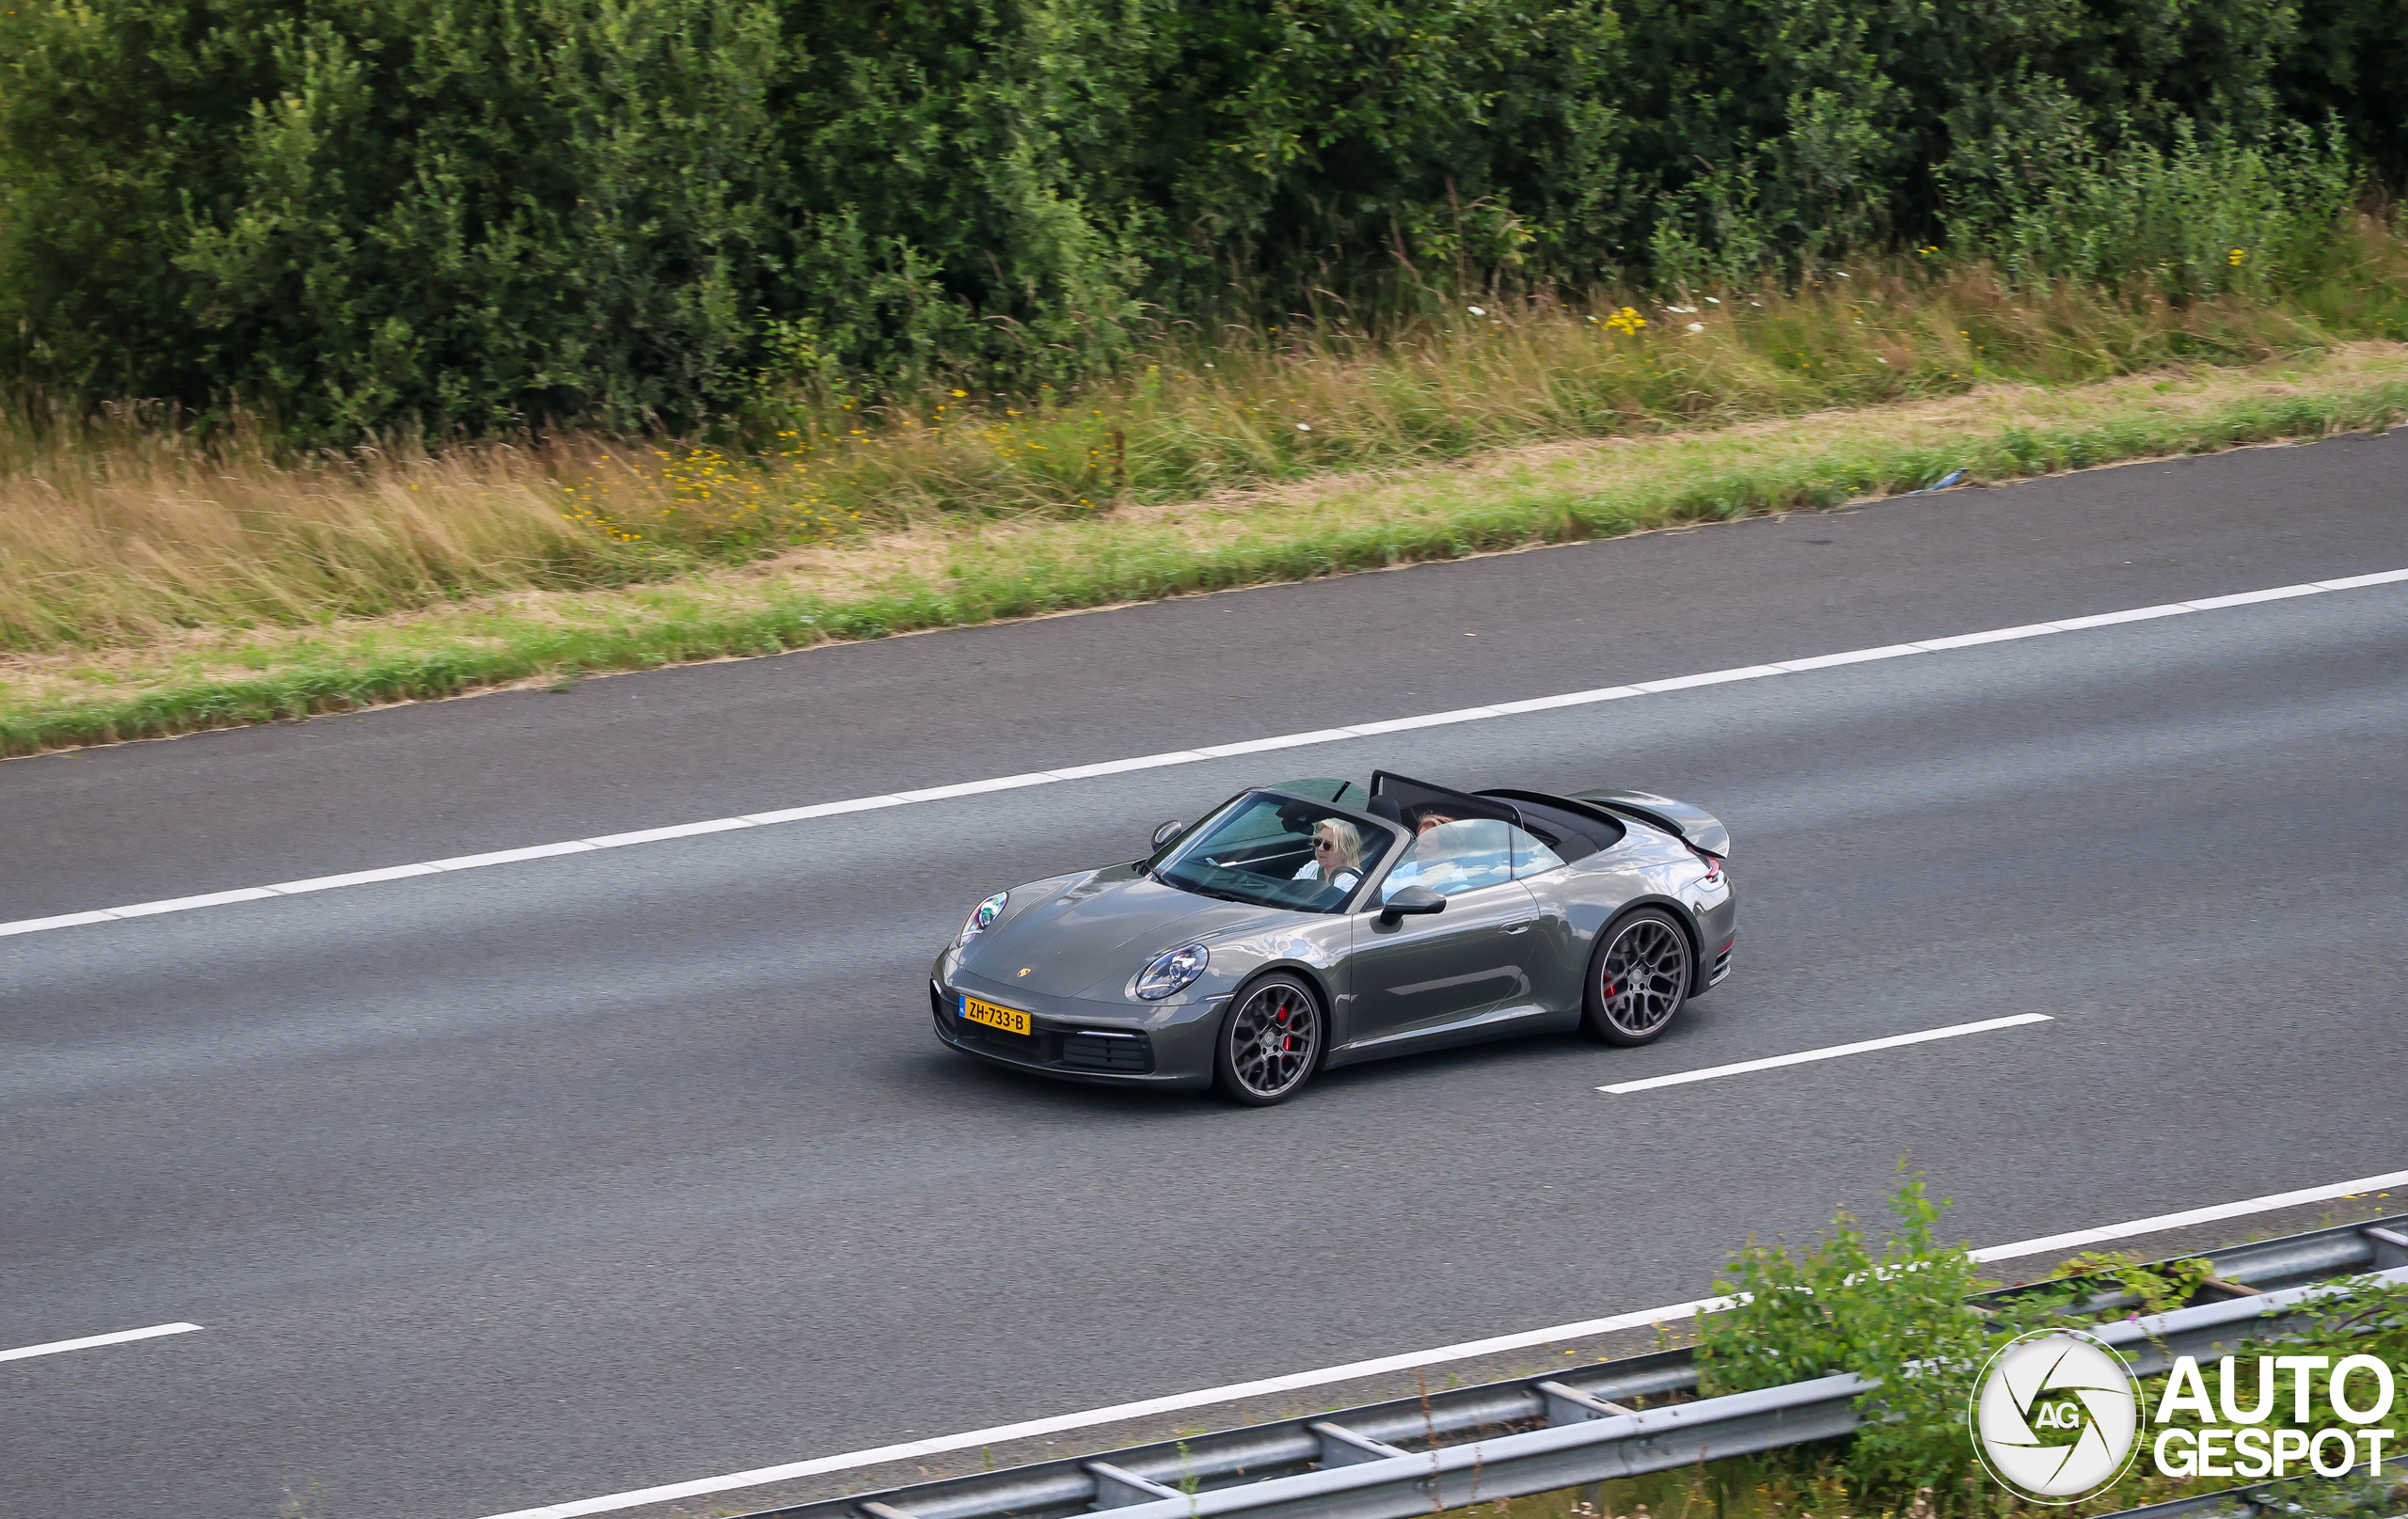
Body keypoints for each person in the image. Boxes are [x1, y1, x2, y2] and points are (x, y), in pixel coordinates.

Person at [1292, 817, 1367, 892]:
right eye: (1318, 842)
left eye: (1327, 845)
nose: (1320, 848)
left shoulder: (1351, 882)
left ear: (1346, 850)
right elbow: (1290, 892)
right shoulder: (1311, 868)